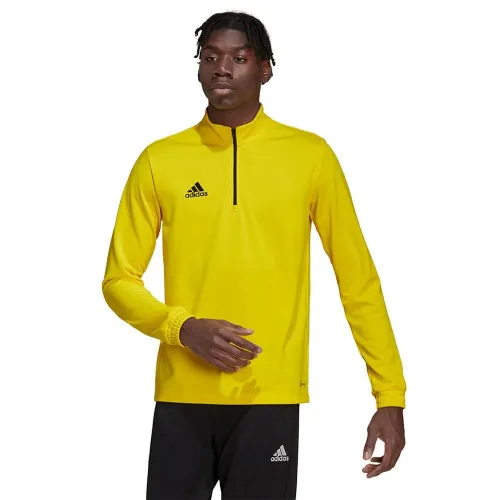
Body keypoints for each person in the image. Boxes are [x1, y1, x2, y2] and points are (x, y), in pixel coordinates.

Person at [102, 10, 406, 500]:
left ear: (265, 69)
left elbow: (358, 281)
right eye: (210, 57)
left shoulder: (310, 156)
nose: (222, 68)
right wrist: (183, 328)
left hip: (269, 398)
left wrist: (389, 394)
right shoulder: (160, 159)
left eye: (238, 58)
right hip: (182, 397)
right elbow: (118, 280)